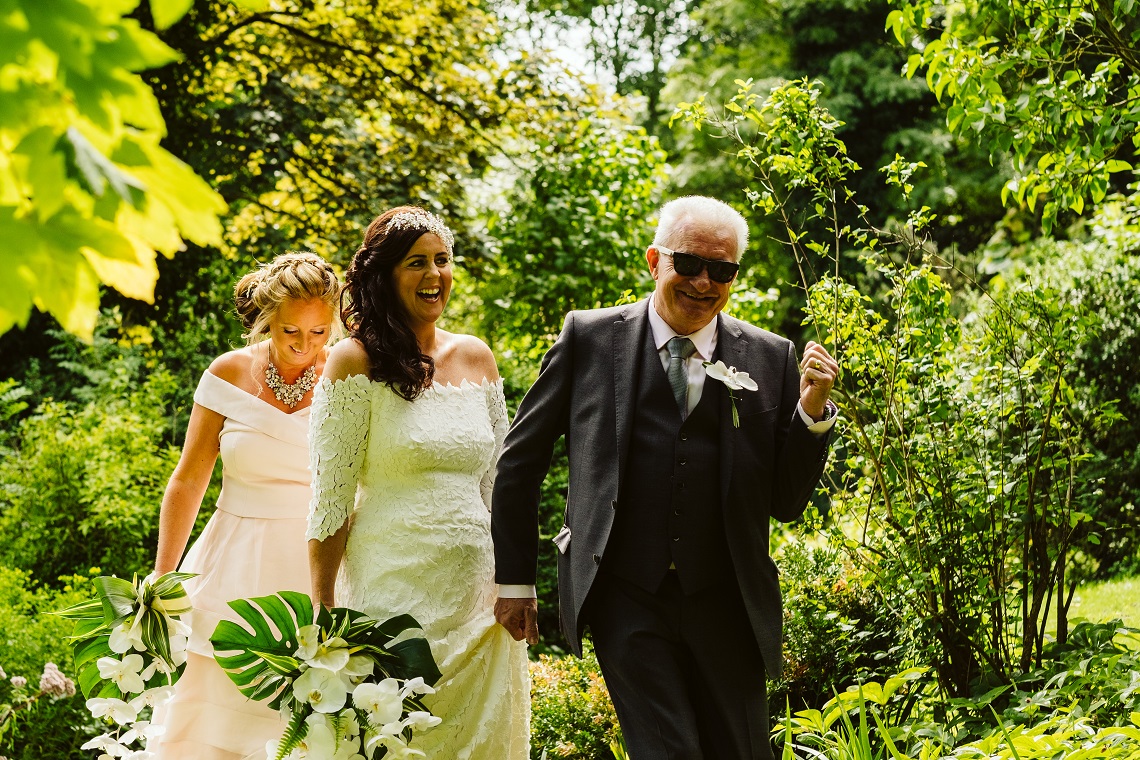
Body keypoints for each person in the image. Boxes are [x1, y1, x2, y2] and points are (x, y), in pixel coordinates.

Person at [491, 196, 839, 760]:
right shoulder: (589, 338)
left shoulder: (771, 357)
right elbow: (520, 461)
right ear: (655, 260)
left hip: (726, 598)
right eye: (690, 264)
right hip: (625, 595)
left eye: (722, 270)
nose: (705, 283)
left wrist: (810, 416)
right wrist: (515, 582)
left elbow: (786, 502)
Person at [306, 206, 530, 758]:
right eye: (416, 263)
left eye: (442, 260)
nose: (434, 275)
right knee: (398, 737)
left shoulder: (476, 356)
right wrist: (324, 613)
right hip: (393, 587)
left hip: (479, 594)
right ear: (384, 275)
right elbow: (330, 498)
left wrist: (515, 583)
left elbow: (500, 484)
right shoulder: (351, 361)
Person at [149, 252, 341, 760]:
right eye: (289, 333)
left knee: (303, 727)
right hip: (230, 563)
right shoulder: (228, 373)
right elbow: (189, 480)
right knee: (209, 727)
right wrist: (161, 580)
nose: (305, 347)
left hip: (315, 565)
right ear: (265, 322)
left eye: (320, 332)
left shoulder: (347, 375)